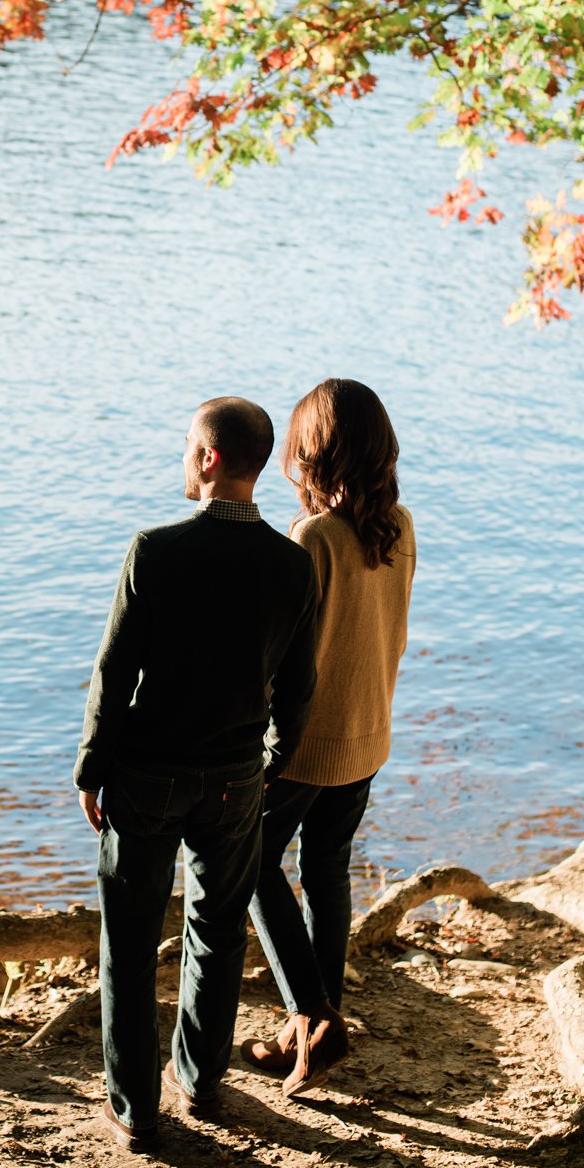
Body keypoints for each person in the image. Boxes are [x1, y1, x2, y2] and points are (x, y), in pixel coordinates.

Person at [74, 396, 319, 1153]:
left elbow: (115, 673)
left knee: (130, 938)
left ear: (210, 459)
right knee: (216, 930)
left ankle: (134, 1111)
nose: (184, 455)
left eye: (188, 445)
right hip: (236, 779)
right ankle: (203, 1081)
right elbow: (299, 683)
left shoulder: (157, 550)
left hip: (149, 777)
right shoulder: (293, 564)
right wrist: (274, 757)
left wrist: (91, 767)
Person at [243, 378, 415, 1095]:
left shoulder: (312, 537)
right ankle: (318, 1020)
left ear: (312, 455)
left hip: (306, 746)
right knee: (325, 873)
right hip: (366, 735)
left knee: (249, 861)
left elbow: (281, 658)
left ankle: (312, 1013)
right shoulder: (398, 526)